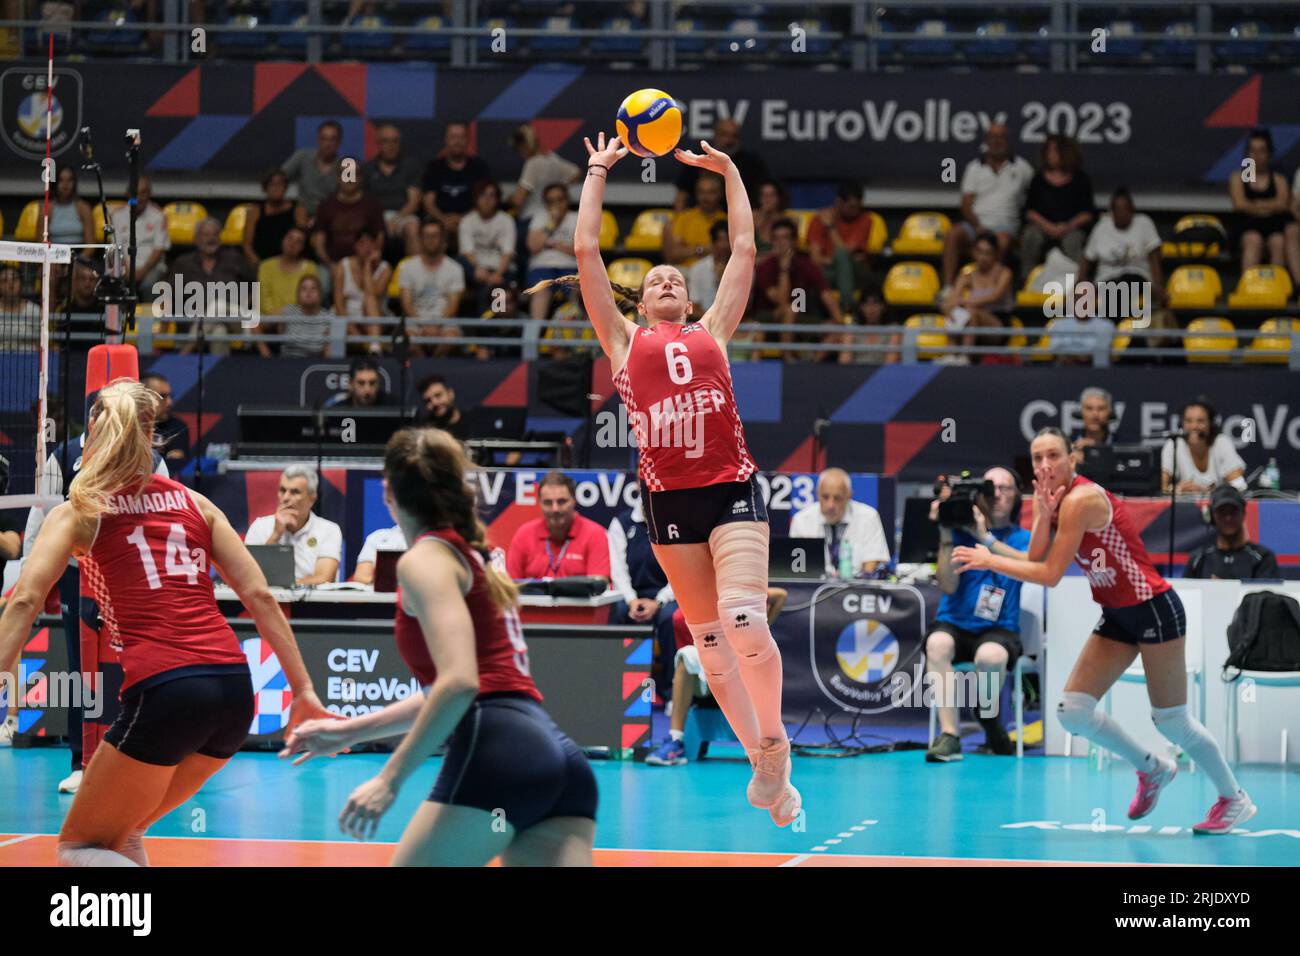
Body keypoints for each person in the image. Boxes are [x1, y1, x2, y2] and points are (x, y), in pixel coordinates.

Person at [528, 129, 799, 826]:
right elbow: (585, 251)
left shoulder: (714, 331)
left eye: (674, 278)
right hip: (669, 501)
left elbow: (744, 249)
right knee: (705, 641)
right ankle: (760, 755)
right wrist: (595, 171)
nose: (668, 282)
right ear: (641, 305)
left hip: (731, 486)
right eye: (654, 283)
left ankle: (776, 741)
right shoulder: (622, 342)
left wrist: (731, 169)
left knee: (743, 619)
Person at [0, 379, 327, 865]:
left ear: (92, 434)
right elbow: (259, 595)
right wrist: (303, 693)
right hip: (235, 693)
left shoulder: (80, 510)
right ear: (152, 437)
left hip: (166, 689)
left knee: (79, 845)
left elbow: (26, 600)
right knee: (126, 831)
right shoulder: (197, 503)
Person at [281, 428, 598, 865]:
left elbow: (460, 684)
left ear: (388, 490)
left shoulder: (424, 560)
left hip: (498, 750)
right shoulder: (471, 556)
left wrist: (390, 779)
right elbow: (454, 688)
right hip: (558, 759)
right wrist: (347, 730)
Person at [952, 427, 1256, 834]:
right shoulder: (1054, 500)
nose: (1045, 465)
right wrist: (1035, 515)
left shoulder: (1080, 500)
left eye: (1054, 456)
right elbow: (1034, 554)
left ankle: (1233, 798)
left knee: (1171, 721)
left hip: (1153, 609)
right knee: (1073, 711)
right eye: (1038, 458)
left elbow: (1049, 574)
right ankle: (1152, 770)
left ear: (1071, 459)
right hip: (1117, 615)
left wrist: (990, 560)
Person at [18, 407, 168, 792]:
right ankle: (81, 762)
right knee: (79, 666)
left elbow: (164, 521)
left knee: (135, 663)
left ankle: (138, 761)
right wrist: (35, 573)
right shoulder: (64, 456)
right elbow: (42, 517)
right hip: (75, 574)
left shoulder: (151, 461)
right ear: (92, 419)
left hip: (129, 576)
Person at [924, 468, 1032, 761]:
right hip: (954, 623)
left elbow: (1033, 565)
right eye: (991, 488)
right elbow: (947, 585)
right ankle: (950, 736)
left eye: (1005, 488)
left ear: (1017, 496)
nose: (997, 494)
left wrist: (984, 538)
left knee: (991, 656)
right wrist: (946, 535)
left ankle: (986, 713)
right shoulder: (958, 533)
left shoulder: (1022, 539)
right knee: (936, 645)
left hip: (999, 627)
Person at [645, 588, 787, 767]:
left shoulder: (736, 593)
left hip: (740, 664)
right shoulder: (695, 594)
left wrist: (760, 616)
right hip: (710, 662)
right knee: (685, 655)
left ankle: (769, 743)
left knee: (756, 661)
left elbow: (780, 595)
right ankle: (676, 741)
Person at [942, 123, 1033, 287]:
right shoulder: (974, 168)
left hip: (1006, 226)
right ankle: (948, 286)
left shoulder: (1023, 168)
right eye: (992, 137)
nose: (997, 141)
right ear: (986, 140)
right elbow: (966, 204)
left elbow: (1033, 200)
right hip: (976, 225)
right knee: (952, 235)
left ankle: (989, 287)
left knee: (1002, 241)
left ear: (1008, 140)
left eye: (1001, 137)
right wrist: (977, 226)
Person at [607, 497, 677, 696]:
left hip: (666, 597)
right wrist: (631, 600)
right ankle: (617, 686)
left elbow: (683, 570)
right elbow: (617, 569)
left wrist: (659, 601)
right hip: (631, 595)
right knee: (617, 611)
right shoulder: (621, 523)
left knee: (670, 619)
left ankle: (671, 692)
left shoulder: (678, 521)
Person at [753, 216, 845, 362]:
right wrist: (784, 269)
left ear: (794, 242)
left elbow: (825, 293)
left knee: (836, 329)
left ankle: (812, 363)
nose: (781, 243)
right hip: (769, 319)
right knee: (790, 309)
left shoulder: (805, 264)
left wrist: (840, 321)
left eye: (785, 238)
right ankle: (787, 358)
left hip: (799, 317)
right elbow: (780, 301)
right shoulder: (765, 267)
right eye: (776, 239)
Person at [243, 464, 343, 585]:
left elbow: (324, 578)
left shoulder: (329, 530)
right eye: (282, 490)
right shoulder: (259, 527)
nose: (286, 497)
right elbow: (247, 575)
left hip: (312, 602)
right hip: (267, 599)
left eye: (295, 492)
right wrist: (275, 535)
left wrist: (290, 586)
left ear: (312, 499)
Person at [505, 471, 611, 584]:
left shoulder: (595, 534)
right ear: (540, 503)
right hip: (531, 602)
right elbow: (510, 586)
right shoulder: (524, 534)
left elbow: (598, 586)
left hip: (578, 602)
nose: (555, 509)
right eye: (548, 503)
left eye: (561, 501)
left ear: (574, 501)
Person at [170, 218, 254, 356]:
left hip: (233, 318)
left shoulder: (234, 259)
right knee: (219, 333)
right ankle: (219, 375)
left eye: (215, 235)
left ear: (220, 238)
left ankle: (184, 353)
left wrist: (245, 305)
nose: (211, 239)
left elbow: (254, 287)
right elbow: (170, 296)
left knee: (218, 306)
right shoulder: (183, 263)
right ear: (195, 239)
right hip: (196, 321)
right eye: (205, 235)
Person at [788, 468, 890, 576]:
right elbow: (797, 570)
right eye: (825, 497)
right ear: (817, 494)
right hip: (813, 588)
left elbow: (872, 566)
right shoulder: (801, 521)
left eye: (837, 498)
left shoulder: (868, 517)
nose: (830, 505)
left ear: (849, 496)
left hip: (857, 588)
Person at [1076, 187, 1165, 308]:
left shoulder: (1144, 223)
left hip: (1137, 280)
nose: (1122, 213)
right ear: (1111, 212)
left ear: (1132, 210)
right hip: (1106, 282)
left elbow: (1154, 258)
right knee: (1113, 289)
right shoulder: (1101, 228)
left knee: (1126, 282)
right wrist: (1080, 287)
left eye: (1126, 209)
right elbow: (1087, 260)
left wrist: (1158, 286)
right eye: (1118, 209)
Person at [1018, 134, 1095, 270]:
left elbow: (1087, 213)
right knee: (1031, 236)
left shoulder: (1080, 179)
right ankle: (1026, 279)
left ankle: (1076, 282)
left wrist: (1067, 226)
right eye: (1048, 150)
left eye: (1054, 150)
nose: (1050, 155)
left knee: (1073, 241)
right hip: (1043, 227)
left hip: (1071, 228)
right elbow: (1030, 211)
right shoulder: (1038, 179)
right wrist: (1047, 226)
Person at [1228, 128, 1295, 279]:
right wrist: (1269, 205)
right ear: (1247, 154)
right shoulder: (1240, 177)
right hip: (1247, 226)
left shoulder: (1278, 179)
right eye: (1253, 151)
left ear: (1269, 154)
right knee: (1253, 240)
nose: (1257, 156)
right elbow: (1239, 204)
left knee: (1278, 242)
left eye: (1262, 151)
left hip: (1272, 226)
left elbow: (1283, 204)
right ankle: (1247, 285)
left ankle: (1276, 286)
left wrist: (1255, 205)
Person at [940, 230, 1013, 362]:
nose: (982, 257)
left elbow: (994, 296)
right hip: (971, 323)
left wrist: (964, 301)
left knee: (971, 312)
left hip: (998, 322)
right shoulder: (967, 274)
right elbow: (953, 297)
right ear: (973, 252)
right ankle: (950, 355)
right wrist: (949, 307)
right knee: (954, 310)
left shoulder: (1004, 273)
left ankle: (965, 357)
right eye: (979, 252)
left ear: (995, 254)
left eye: (988, 253)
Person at [672, 118, 771, 213]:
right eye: (724, 135)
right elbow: (682, 194)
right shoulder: (699, 159)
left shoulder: (751, 162)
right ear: (715, 135)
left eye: (734, 136)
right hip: (699, 219)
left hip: (739, 217)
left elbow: (765, 192)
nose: (729, 140)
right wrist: (679, 220)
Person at [422, 120, 493, 252]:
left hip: (472, 220)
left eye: (461, 137)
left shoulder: (479, 167)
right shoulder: (434, 167)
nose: (457, 141)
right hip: (440, 221)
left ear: (468, 140)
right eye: (453, 137)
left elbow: (486, 201)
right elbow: (429, 202)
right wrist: (444, 220)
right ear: (446, 140)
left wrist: (463, 220)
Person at [399, 219, 466, 357]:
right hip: (415, 321)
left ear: (442, 239)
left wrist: (437, 326)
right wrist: (424, 325)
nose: (431, 240)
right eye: (427, 236)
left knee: (451, 339)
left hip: (445, 321)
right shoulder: (407, 267)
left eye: (435, 236)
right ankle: (422, 369)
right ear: (420, 239)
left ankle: (436, 367)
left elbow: (453, 307)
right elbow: (406, 304)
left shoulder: (455, 268)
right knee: (407, 340)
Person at [806, 180, 876, 312]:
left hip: (858, 274)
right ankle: (804, 315)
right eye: (851, 207)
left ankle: (846, 306)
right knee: (807, 275)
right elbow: (815, 258)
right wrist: (838, 262)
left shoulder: (866, 220)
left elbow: (845, 253)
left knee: (841, 255)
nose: (855, 211)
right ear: (839, 202)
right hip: (830, 273)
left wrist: (831, 227)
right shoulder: (818, 220)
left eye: (857, 207)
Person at [1184, 484, 1279, 581]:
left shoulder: (1263, 558)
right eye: (1222, 512)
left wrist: (1226, 589)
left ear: (1243, 514)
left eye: (1233, 511)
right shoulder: (1198, 559)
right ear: (1212, 517)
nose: (1228, 518)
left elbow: (1267, 595)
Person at [311, 164, 386, 279]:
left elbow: (380, 237)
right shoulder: (326, 205)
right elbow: (319, 243)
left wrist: (370, 261)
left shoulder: (372, 204)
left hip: (365, 262)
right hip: (332, 263)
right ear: (338, 178)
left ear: (360, 178)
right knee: (322, 280)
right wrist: (331, 265)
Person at [1160, 398, 1246, 494]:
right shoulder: (1173, 444)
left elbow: (1239, 485)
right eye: (1188, 421)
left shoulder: (1222, 443)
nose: (1194, 426)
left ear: (1211, 424)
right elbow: (1163, 489)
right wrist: (1177, 490)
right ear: (1181, 424)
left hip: (1219, 507)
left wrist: (1205, 492)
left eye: (1200, 421)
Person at [363, 122, 423, 257]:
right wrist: (380, 221)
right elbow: (364, 202)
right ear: (378, 144)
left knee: (412, 228)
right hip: (376, 217)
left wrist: (396, 219)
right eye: (386, 141)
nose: (391, 146)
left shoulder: (410, 166)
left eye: (395, 141)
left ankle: (414, 276)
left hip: (403, 215)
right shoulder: (367, 168)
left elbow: (414, 202)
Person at [458, 179, 516, 316]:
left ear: (497, 199)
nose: (487, 200)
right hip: (475, 269)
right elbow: (467, 252)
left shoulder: (506, 220)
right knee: (461, 262)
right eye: (483, 195)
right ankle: (486, 325)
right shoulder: (467, 221)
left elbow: (507, 253)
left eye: (492, 195)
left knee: (496, 289)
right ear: (476, 198)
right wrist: (480, 270)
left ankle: (496, 324)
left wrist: (496, 275)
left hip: (500, 269)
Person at [524, 183, 579, 325]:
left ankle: (576, 336)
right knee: (540, 291)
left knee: (577, 292)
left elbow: (579, 251)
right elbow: (533, 246)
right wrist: (552, 224)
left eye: (560, 199)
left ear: (567, 200)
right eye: (551, 201)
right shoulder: (541, 217)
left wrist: (551, 243)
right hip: (542, 266)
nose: (556, 204)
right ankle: (534, 337)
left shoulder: (576, 217)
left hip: (569, 266)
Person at [110, 174, 170, 297]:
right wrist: (126, 269)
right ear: (127, 194)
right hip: (124, 266)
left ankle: (152, 317)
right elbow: (116, 247)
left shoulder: (159, 216)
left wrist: (142, 271)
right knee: (114, 284)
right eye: (135, 193)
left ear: (149, 194)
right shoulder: (117, 216)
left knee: (149, 286)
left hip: (151, 268)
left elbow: (159, 249)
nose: (139, 198)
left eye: (143, 193)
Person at [332, 230, 390, 352]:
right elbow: (338, 304)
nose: (367, 247)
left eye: (371, 243)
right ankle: (373, 347)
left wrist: (367, 266)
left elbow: (373, 294)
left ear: (376, 246)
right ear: (355, 246)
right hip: (348, 319)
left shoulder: (385, 268)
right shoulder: (343, 265)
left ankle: (374, 346)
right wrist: (354, 333)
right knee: (336, 317)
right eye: (362, 243)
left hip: (376, 318)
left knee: (369, 301)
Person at [242, 168, 305, 269]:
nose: (276, 188)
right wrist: (260, 266)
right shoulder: (255, 211)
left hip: (291, 265)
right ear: (265, 188)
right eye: (272, 184)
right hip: (261, 265)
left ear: (286, 187)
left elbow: (302, 242)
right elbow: (247, 246)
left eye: (280, 184)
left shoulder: (298, 210)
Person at [281, 120, 343, 222]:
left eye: (332, 139)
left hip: (331, 217)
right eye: (323, 139)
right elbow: (279, 178)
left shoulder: (346, 165)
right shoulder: (303, 156)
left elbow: (352, 194)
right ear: (318, 140)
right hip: (302, 214)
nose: (327, 144)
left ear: (339, 142)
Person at [663, 173, 726, 267]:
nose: (705, 197)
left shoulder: (726, 219)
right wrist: (702, 250)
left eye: (711, 192)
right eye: (701, 192)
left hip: (716, 271)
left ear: (720, 194)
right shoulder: (684, 218)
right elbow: (674, 254)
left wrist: (689, 250)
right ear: (696, 194)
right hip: (687, 270)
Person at [256, 226, 319, 320]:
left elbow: (310, 299)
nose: (292, 243)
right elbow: (263, 299)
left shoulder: (310, 267)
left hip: (299, 318)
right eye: (290, 238)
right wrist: (276, 315)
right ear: (283, 240)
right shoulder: (266, 266)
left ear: (303, 247)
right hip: (268, 319)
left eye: (298, 241)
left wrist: (288, 314)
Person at [276, 274, 335, 359]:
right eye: (304, 289)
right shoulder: (288, 311)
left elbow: (328, 353)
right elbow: (261, 322)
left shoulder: (327, 317)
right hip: (287, 362)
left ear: (320, 294)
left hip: (313, 365)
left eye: (313, 288)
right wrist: (267, 356)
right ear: (298, 294)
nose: (308, 292)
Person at [141, 372, 190, 464]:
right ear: (144, 398)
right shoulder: (128, 427)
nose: (169, 402)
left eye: (170, 396)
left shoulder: (177, 427)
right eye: (162, 396)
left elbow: (176, 460)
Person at [684, 220, 730, 315]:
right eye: (721, 241)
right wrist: (711, 323)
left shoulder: (743, 270)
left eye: (728, 241)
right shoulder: (697, 269)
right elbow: (694, 306)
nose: (725, 246)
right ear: (713, 243)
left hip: (736, 324)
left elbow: (745, 308)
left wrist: (723, 280)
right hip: (704, 323)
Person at [1070, 386, 1115, 466]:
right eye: (1089, 408)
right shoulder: (1069, 443)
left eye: (1101, 409)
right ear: (1080, 413)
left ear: (1110, 413)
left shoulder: (1123, 443)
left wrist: (1098, 449)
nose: (1095, 414)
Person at [325, 355, 390, 408]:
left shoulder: (392, 411)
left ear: (378, 383)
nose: (367, 389)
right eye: (361, 383)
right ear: (351, 383)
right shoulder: (339, 412)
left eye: (372, 383)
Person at [419, 374, 468, 439]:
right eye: (428, 401)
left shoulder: (476, 421)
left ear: (450, 394)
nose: (434, 403)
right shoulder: (424, 432)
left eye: (438, 395)